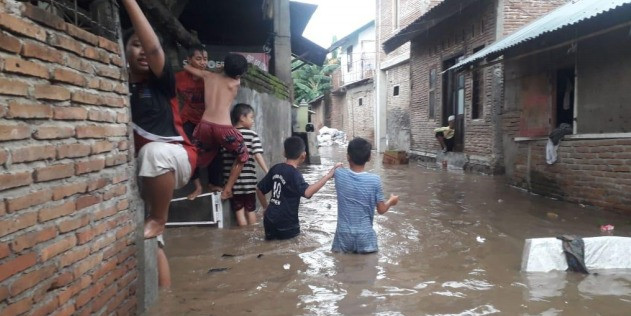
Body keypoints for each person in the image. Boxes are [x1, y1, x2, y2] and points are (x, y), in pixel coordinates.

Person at [122, 0, 197, 286]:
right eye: (135, 45)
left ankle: (158, 217)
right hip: (150, 173)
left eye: (147, 45)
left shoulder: (161, 81)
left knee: (153, 153)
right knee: (155, 245)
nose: (144, 51)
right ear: (124, 51)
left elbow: (154, 50)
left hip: (176, 157)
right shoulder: (122, 85)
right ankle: (165, 300)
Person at [184, 54, 249, 200]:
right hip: (224, 129)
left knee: (194, 155)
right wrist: (224, 69)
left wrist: (219, 69)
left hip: (204, 125)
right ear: (238, 74)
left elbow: (187, 67)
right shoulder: (235, 83)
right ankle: (227, 189)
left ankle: (198, 187)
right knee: (243, 156)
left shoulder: (208, 76)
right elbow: (234, 75)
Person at [257, 137, 342, 240]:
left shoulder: (275, 168)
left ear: (284, 152)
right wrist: (329, 175)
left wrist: (266, 207)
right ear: (303, 155)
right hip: (287, 223)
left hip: (269, 219)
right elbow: (307, 193)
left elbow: (259, 189)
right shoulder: (295, 174)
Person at [331, 138, 399, 254]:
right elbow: (381, 210)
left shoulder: (338, 174)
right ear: (369, 158)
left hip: (343, 235)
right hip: (365, 236)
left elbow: (335, 170)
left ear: (348, 157)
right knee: (368, 270)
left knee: (341, 268)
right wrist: (391, 201)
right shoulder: (374, 180)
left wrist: (336, 166)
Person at [175, 45, 225, 199]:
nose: (203, 62)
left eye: (205, 59)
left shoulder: (210, 77)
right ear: (189, 59)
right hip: (188, 119)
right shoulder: (178, 77)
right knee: (188, 151)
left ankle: (214, 183)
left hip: (208, 120)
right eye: (198, 59)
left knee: (217, 149)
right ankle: (197, 186)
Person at [223, 103, 268, 226]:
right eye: (251, 117)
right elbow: (258, 155)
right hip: (249, 183)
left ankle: (243, 232)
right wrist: (267, 171)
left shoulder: (227, 135)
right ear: (242, 118)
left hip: (233, 183)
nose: (253, 121)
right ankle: (251, 234)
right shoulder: (252, 135)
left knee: (239, 211)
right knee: (250, 210)